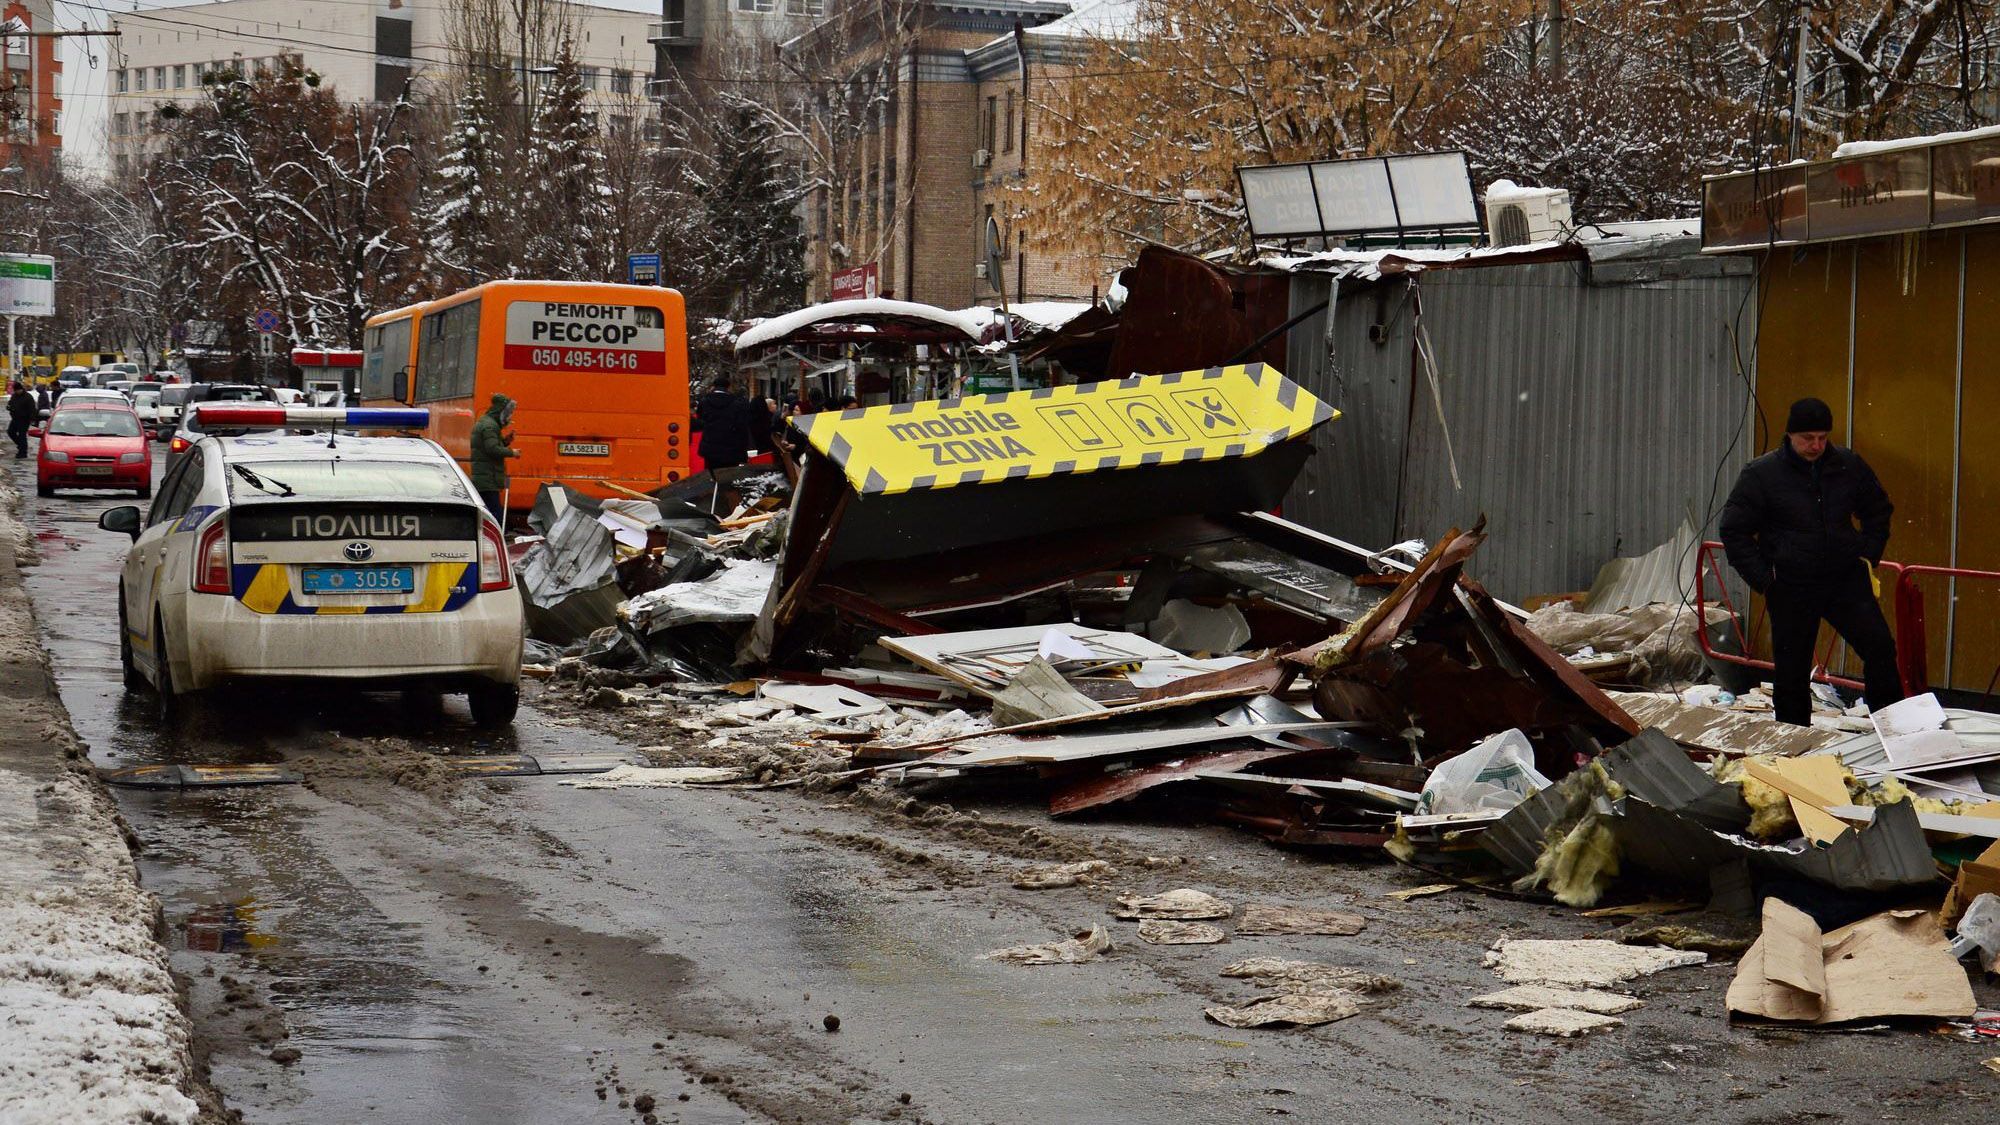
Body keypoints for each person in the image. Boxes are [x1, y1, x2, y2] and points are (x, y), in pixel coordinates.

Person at [1719, 396, 1903, 726]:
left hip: (1845, 579)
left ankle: (1892, 729)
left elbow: (1878, 509)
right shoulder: (1762, 474)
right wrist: (1765, 579)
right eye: (1807, 438)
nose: (1816, 445)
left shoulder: (1846, 465)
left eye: (1822, 437)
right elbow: (1734, 532)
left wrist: (1868, 553)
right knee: (1792, 670)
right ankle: (1794, 743)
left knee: (1880, 649)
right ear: (1790, 435)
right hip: (1791, 584)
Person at [468, 393, 520, 522]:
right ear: (500, 411)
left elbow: (490, 445)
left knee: (486, 509)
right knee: (495, 513)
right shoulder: (490, 426)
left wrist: (506, 441)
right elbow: (492, 449)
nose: (509, 417)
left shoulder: (487, 423)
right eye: (508, 412)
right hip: (488, 477)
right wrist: (512, 452)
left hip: (485, 476)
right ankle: (495, 536)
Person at [693, 375, 752, 472]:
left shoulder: (705, 402)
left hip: (710, 447)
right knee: (728, 477)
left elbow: (701, 420)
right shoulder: (737, 403)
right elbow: (742, 428)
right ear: (728, 387)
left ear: (714, 386)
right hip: (731, 449)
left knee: (711, 474)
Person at [6, 382, 34, 458]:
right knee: (10, 432)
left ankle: (23, 453)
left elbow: (32, 409)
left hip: (24, 419)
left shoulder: (28, 397)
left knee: (22, 435)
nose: (16, 392)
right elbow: (10, 403)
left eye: (17, 390)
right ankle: (21, 445)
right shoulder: (14, 396)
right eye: (15, 391)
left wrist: (31, 419)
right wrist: (9, 407)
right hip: (15, 418)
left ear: (21, 389)